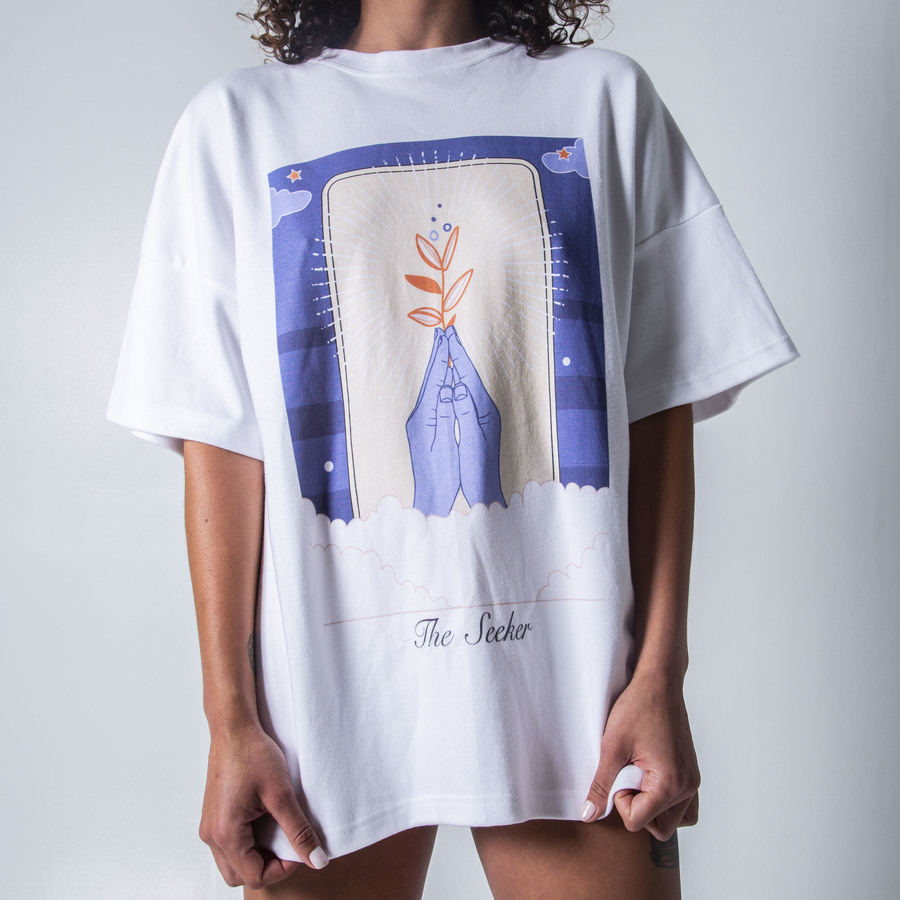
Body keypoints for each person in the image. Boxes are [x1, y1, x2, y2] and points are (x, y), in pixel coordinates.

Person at [106, 0, 800, 896]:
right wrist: (230, 721)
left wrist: (661, 677)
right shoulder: (236, 125)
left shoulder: (605, 103)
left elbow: (656, 403)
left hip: (581, 709)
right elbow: (224, 445)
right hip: (327, 722)